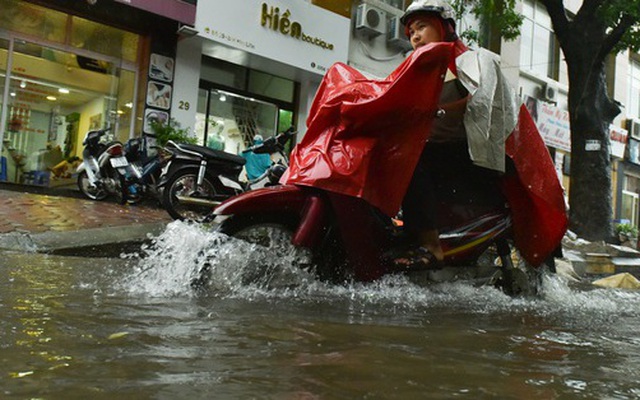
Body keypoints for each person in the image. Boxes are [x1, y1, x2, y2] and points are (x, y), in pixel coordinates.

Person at [391, 0, 517, 270]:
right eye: (411, 31)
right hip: (434, 151)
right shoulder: (412, 71)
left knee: (411, 160)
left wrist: (439, 112)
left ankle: (430, 246)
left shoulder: (473, 60)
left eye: (422, 27)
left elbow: (483, 102)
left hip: (467, 155)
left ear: (444, 27)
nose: (415, 36)